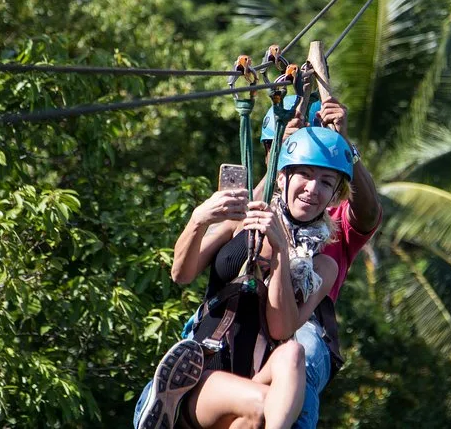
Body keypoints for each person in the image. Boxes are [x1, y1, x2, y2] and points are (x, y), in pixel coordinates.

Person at [134, 126, 355, 429]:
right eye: (304, 174)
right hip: (205, 372)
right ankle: (168, 400)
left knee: (292, 353)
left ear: (333, 196)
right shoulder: (240, 223)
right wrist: (198, 220)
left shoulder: (323, 266)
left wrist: (281, 253)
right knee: (263, 405)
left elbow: (281, 328)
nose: (312, 188)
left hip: (255, 380)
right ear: (282, 177)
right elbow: (181, 273)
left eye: (326, 182)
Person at [260, 94, 382, 429]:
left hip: (304, 323)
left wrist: (345, 147)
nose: (311, 187)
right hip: (248, 303)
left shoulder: (335, 217)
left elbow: (368, 212)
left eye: (325, 177)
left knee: (305, 356)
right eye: (274, 149)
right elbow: (240, 218)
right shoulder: (264, 199)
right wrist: (279, 156)